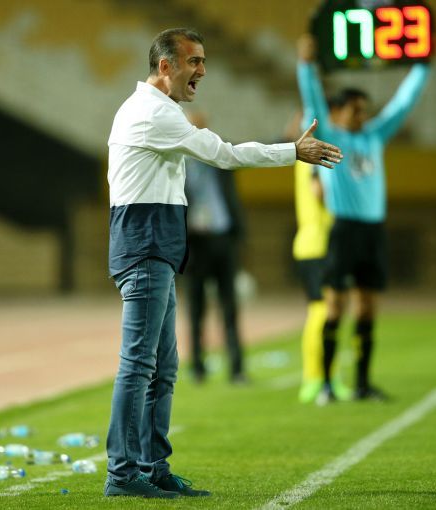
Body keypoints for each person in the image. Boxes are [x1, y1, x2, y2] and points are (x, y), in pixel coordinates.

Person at [105, 28, 342, 499]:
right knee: (139, 365)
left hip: (156, 248)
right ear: (165, 66)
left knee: (161, 368)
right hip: (146, 247)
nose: (203, 70)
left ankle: (152, 467)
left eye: (203, 60)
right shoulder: (153, 112)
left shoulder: (156, 109)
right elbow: (224, 154)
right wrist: (291, 151)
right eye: (193, 61)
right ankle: (123, 474)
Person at [296, 34, 430, 404]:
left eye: (364, 110)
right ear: (338, 112)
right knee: (335, 306)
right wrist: (306, 65)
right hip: (344, 231)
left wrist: (422, 67)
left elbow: (403, 104)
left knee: (368, 306)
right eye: (355, 110)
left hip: (373, 231)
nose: (362, 116)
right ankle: (326, 383)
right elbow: (313, 101)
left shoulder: (374, 136)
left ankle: (363, 384)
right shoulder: (330, 136)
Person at [183, 111, 247, 385]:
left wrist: (286, 141)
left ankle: (237, 369)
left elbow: (251, 151)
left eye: (201, 128)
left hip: (222, 237)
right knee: (196, 309)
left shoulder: (219, 156)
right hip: (194, 242)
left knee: (230, 307)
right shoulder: (177, 162)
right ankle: (197, 367)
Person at [292, 159, 333, 403]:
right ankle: (314, 378)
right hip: (317, 245)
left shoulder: (307, 156)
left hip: (315, 244)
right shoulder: (318, 155)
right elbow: (320, 192)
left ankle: (327, 376)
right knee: (322, 312)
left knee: (327, 312)